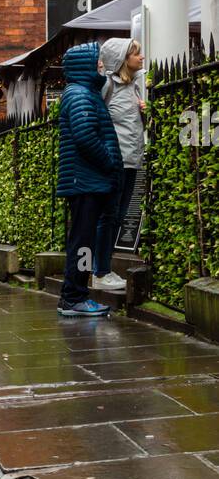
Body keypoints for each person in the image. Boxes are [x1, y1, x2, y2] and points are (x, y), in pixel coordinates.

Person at [56, 42, 123, 318]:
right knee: (83, 243)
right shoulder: (80, 95)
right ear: (84, 65)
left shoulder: (84, 93)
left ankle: (74, 296)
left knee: (83, 242)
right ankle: (75, 297)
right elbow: (85, 137)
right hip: (86, 182)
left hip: (86, 180)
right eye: (97, 62)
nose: (102, 66)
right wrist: (109, 161)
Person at [92, 38, 146, 292]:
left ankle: (104, 269)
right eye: (136, 54)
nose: (141, 57)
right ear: (124, 59)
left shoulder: (134, 87)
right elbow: (95, 121)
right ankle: (100, 272)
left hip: (132, 160)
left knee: (119, 216)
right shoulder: (107, 87)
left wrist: (146, 113)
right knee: (109, 216)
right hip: (115, 161)